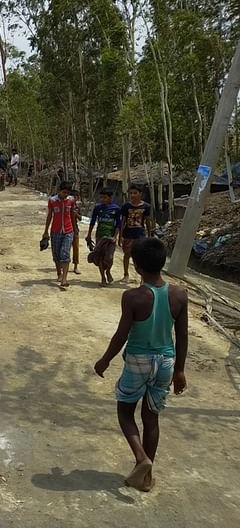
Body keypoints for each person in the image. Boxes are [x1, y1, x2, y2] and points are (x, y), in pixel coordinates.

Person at [94, 237, 188, 492]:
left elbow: (121, 335)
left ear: (136, 266)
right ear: (163, 262)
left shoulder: (133, 297)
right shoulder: (179, 294)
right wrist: (179, 370)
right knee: (151, 417)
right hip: (166, 361)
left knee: (125, 411)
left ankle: (140, 458)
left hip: (138, 360)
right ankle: (146, 479)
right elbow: (182, 335)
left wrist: (104, 360)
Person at [42, 183, 76, 288]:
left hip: (68, 231)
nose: (65, 195)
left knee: (65, 253)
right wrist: (46, 231)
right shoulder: (52, 201)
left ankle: (65, 279)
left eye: (67, 193)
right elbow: (49, 216)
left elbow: (72, 215)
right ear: (59, 190)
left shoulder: (71, 200)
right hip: (55, 231)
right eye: (64, 192)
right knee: (56, 254)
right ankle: (59, 274)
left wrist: (75, 230)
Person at [86, 189, 122, 286]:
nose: (102, 199)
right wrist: (89, 234)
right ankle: (102, 277)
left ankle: (108, 271)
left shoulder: (116, 209)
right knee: (100, 257)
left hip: (110, 237)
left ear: (110, 198)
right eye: (101, 197)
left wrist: (116, 236)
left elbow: (119, 224)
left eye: (104, 197)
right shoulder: (98, 208)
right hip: (100, 236)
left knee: (109, 257)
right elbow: (92, 221)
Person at [119, 185, 154, 282]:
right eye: (131, 193)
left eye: (135, 193)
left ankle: (143, 278)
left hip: (140, 234)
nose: (132, 195)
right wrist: (120, 235)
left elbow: (147, 221)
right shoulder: (126, 206)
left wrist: (149, 234)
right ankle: (126, 274)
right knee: (127, 254)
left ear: (140, 194)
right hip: (128, 234)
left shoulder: (146, 206)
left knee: (140, 257)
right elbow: (123, 221)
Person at [69, 189, 83, 274]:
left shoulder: (77, 207)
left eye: (77, 197)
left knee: (76, 248)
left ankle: (75, 266)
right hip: (67, 229)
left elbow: (80, 218)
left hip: (75, 229)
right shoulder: (66, 206)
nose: (75, 198)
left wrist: (76, 214)